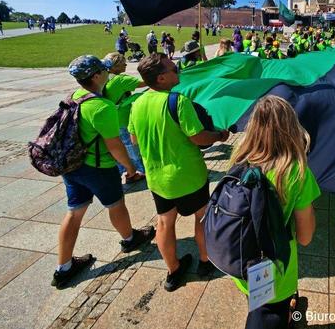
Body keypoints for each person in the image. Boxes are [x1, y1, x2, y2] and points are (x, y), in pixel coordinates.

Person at [129, 53, 230, 290]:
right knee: (202, 218)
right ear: (162, 78)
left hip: (157, 179)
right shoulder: (178, 102)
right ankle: (205, 261)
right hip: (189, 176)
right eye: (174, 68)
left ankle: (173, 270)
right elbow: (198, 137)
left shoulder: (137, 103)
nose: (179, 71)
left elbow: (134, 139)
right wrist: (219, 136)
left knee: (165, 223)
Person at [53, 55, 153, 288]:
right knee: (116, 204)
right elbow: (115, 145)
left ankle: (64, 267)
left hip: (72, 166)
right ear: (97, 75)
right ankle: (130, 239)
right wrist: (130, 167)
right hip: (98, 167)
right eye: (103, 69)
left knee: (74, 212)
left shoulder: (74, 96)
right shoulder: (102, 107)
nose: (107, 72)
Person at [230, 96, 320, 329]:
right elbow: (305, 237)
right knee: (272, 313)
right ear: (291, 126)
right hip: (275, 266)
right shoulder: (296, 173)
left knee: (256, 303)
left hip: (240, 258)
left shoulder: (239, 161)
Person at [102, 52, 146, 178]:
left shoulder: (104, 79)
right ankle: (139, 170)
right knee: (131, 146)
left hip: (111, 119)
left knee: (118, 147)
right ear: (115, 66)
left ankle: (125, 170)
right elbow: (146, 82)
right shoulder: (120, 80)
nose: (126, 64)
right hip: (123, 119)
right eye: (123, 62)